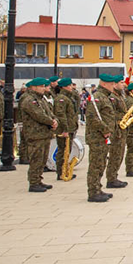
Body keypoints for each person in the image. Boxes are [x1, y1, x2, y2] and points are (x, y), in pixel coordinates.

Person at [19, 77, 58, 192]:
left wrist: (54, 120)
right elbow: (38, 115)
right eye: (41, 86)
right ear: (34, 87)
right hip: (35, 134)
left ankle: (39, 180)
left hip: (44, 133)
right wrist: (51, 122)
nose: (43, 88)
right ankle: (34, 182)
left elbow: (49, 112)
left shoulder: (41, 99)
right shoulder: (29, 100)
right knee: (36, 158)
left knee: (42, 158)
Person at [83, 74, 117, 202]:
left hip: (103, 136)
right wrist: (105, 130)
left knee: (101, 163)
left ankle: (98, 188)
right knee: (95, 164)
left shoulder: (105, 97)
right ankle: (93, 192)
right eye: (112, 84)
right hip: (97, 137)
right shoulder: (96, 98)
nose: (114, 86)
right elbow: (92, 117)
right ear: (104, 84)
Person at [52, 77, 80, 180]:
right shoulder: (61, 98)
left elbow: (77, 101)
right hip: (65, 129)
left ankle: (66, 170)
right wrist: (65, 129)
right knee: (62, 151)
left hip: (70, 127)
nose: (71, 87)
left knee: (67, 151)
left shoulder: (69, 97)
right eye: (69, 85)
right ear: (63, 87)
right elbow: (61, 115)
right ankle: (60, 172)